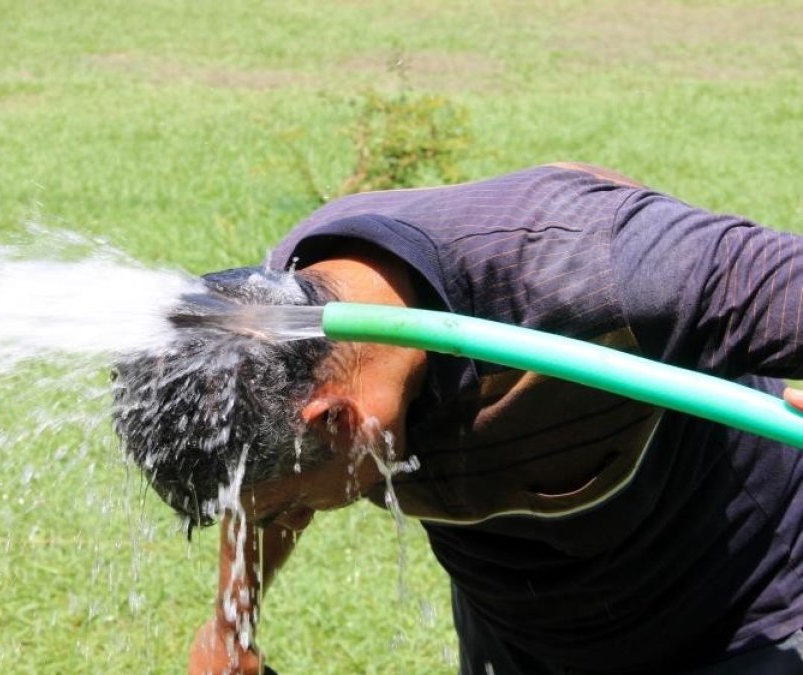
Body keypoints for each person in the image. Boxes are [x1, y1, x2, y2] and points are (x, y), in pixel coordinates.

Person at [111, 162, 803, 674]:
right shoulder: (278, 333)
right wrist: (232, 626)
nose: (283, 518)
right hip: (523, 634)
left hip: (744, 605)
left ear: (337, 424)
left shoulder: (599, 266)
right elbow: (258, 486)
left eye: (288, 505)